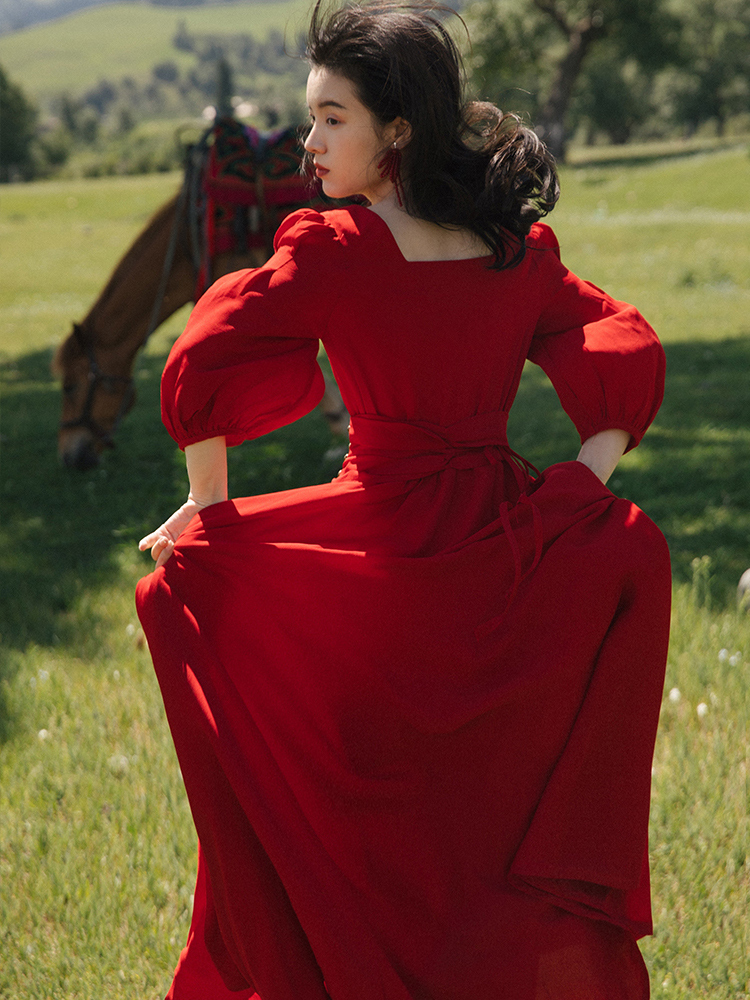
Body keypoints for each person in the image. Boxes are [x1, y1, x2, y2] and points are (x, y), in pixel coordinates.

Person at [136, 3, 671, 997]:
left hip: (381, 554)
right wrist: (582, 484)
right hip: (501, 546)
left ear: (398, 130)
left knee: (359, 798)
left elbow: (205, 357)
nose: (309, 142)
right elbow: (619, 338)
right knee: (475, 807)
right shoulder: (517, 249)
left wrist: (209, 506)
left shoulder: (336, 249)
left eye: (332, 117)